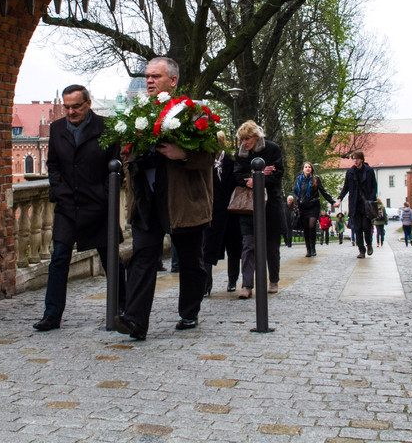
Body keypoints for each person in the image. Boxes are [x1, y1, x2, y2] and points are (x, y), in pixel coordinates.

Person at [115, 58, 214, 340]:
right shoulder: (136, 114)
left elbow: (211, 155)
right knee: (143, 255)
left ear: (172, 80)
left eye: (155, 76)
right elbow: (126, 152)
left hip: (183, 200)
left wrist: (182, 154)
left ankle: (189, 312)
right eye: (147, 76)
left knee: (190, 259)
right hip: (147, 199)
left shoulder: (193, 112)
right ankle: (135, 321)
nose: (149, 81)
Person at [33, 85, 125, 332]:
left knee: (111, 259)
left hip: (98, 205)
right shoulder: (57, 129)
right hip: (67, 205)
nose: (71, 112)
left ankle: (123, 308)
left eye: (76, 106)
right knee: (59, 258)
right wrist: (60, 190)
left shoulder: (107, 128)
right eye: (67, 107)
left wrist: (105, 195)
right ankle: (51, 315)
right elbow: (52, 165)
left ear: (88, 104)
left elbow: (116, 167)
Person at [233, 120, 285, 298]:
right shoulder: (241, 153)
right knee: (248, 244)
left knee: (271, 245)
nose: (244, 143)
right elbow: (237, 174)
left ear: (256, 137)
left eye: (247, 139)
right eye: (242, 140)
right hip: (248, 206)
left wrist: (261, 178)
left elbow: (278, 172)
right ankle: (246, 284)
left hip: (271, 204)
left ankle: (273, 280)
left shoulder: (272, 149)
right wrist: (251, 179)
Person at [202, 131, 242, 295]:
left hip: (231, 211)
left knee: (234, 248)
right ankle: (206, 285)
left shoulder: (231, 161)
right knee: (208, 249)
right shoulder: (205, 162)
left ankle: (232, 281)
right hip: (212, 211)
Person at [336, 150, 378, 259]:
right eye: (354, 159)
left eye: (357, 159)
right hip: (355, 204)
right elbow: (346, 187)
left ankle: (369, 244)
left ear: (362, 159)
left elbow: (374, 186)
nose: (355, 161)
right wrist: (340, 198)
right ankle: (361, 250)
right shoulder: (350, 172)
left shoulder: (369, 171)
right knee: (357, 228)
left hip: (366, 204)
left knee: (366, 227)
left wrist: (372, 199)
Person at [292, 162, 335, 257]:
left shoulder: (316, 179)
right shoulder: (298, 179)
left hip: (313, 206)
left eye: (309, 167)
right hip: (302, 207)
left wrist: (332, 202)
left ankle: (313, 248)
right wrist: (294, 198)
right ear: (303, 169)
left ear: (311, 169)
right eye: (306, 167)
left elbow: (323, 192)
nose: (307, 168)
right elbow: (294, 191)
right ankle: (308, 249)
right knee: (306, 228)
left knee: (311, 226)